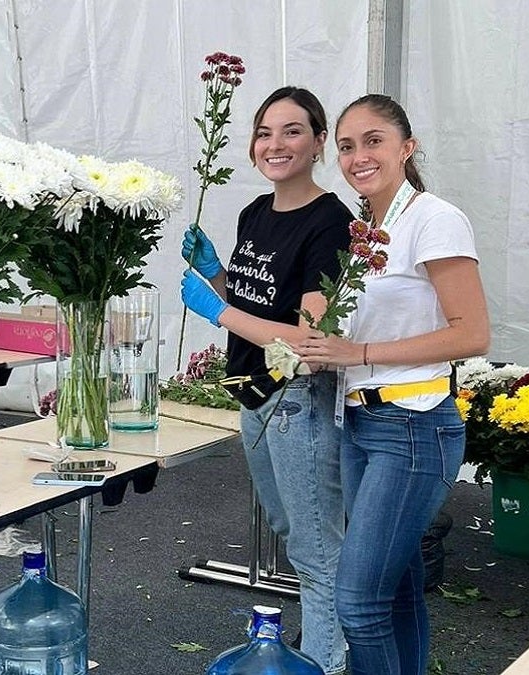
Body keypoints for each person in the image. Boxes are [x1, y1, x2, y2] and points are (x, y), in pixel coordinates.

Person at [298, 94, 490, 675]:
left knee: (357, 603)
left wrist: (358, 351)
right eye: (348, 145)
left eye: (374, 140)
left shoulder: (435, 218)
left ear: (407, 148)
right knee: (397, 591)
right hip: (361, 421)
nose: (358, 155)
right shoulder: (366, 230)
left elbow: (472, 333)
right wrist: (319, 331)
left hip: (412, 426)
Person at [181, 86, 352, 675]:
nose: (275, 144)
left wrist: (217, 312)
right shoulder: (255, 212)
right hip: (253, 394)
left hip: (296, 398)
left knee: (315, 546)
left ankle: (325, 661)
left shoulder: (333, 224)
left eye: (292, 131)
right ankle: (325, 638)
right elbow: (256, 303)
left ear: (318, 142)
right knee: (288, 527)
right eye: (264, 132)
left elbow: (304, 341)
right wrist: (217, 277)